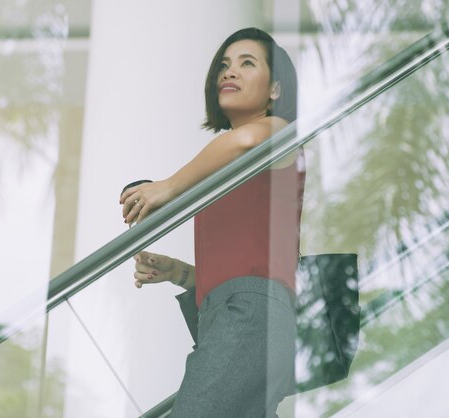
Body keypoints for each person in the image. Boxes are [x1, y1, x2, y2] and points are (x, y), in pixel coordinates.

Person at [120, 28, 305, 417]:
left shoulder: (277, 131)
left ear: (274, 90)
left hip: (252, 314)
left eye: (246, 63)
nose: (229, 72)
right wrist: (180, 273)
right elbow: (244, 259)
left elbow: (246, 139)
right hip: (230, 316)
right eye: (224, 65)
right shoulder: (227, 168)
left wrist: (168, 186)